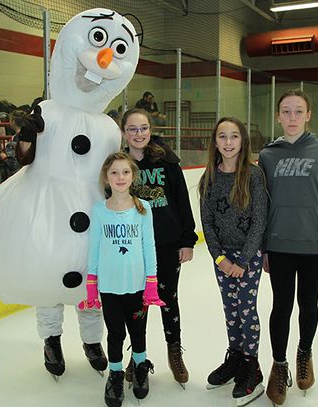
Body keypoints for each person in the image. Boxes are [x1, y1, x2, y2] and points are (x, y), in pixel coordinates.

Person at [258, 89, 318, 406]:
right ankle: (279, 365)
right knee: (281, 306)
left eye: (298, 111)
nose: (292, 117)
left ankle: (304, 353)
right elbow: (262, 207)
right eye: (286, 111)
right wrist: (264, 247)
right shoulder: (268, 155)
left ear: (309, 115)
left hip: (314, 245)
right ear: (278, 116)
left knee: (308, 304)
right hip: (279, 245)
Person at [79, 151, 165, 407]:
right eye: (114, 172)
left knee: (138, 331)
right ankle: (115, 374)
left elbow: (149, 246)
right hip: (109, 286)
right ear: (106, 177)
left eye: (125, 172)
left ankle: (139, 368)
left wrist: (151, 282)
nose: (120, 177)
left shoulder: (143, 208)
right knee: (115, 333)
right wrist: (92, 286)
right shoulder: (99, 210)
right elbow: (93, 248)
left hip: (138, 286)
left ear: (133, 176)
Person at [121, 108, 198, 388]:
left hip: (166, 243)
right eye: (132, 129)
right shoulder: (120, 164)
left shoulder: (167, 162)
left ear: (150, 130)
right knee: (136, 302)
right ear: (124, 133)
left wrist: (187, 239)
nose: (138, 134)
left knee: (167, 298)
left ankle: (174, 350)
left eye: (143, 128)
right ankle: (137, 355)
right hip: (133, 246)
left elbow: (181, 199)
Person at [198, 117, 268, 406]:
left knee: (246, 309)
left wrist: (243, 260)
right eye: (223, 136)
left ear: (243, 141)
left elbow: (259, 221)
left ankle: (252, 365)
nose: (228, 142)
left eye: (234, 137)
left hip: (247, 258)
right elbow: (208, 223)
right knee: (230, 310)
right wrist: (220, 257)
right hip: (223, 258)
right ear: (215, 142)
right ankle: (235, 356)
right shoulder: (209, 178)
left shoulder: (253, 176)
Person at [0, 109, 25, 182]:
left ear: (13, 121)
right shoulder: (28, 134)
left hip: (18, 174)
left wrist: (4, 157)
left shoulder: (16, 139)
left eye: (10, 120)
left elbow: (13, 163)